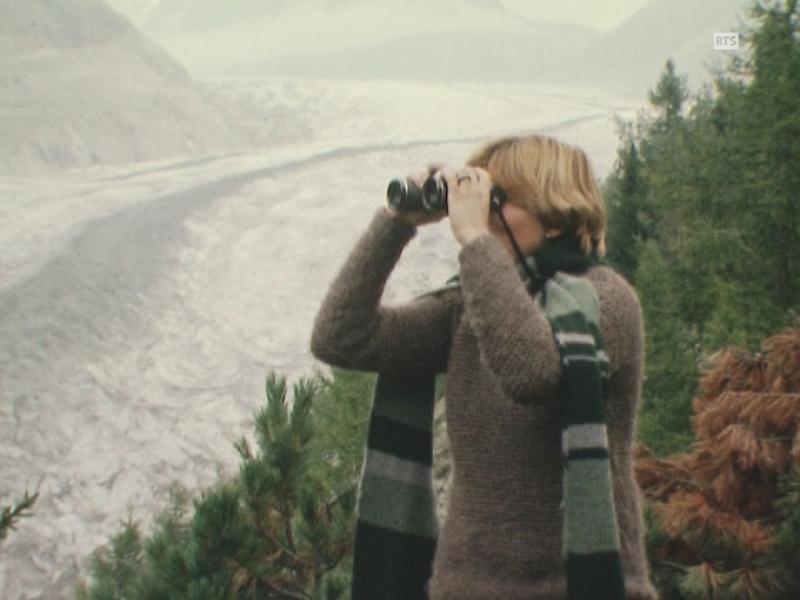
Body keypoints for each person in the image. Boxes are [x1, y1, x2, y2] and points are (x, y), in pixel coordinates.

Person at [310, 134, 658, 600]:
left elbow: (531, 371)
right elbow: (341, 338)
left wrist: (475, 239)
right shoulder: (467, 307)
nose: (480, 212)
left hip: (578, 586)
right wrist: (396, 223)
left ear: (555, 219)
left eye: (497, 200)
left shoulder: (607, 302)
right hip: (464, 587)